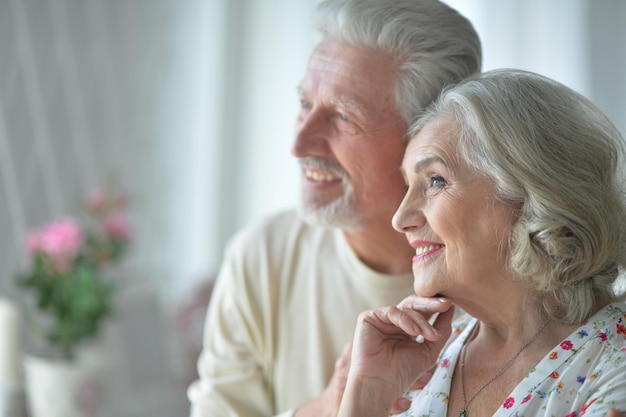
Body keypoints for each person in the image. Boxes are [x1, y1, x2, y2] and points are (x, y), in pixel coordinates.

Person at [186, 0, 482, 416]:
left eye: (343, 117)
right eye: (305, 104)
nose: (299, 144)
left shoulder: (503, 283)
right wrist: (331, 407)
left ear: (428, 141)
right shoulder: (261, 257)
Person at [337, 69, 626, 417]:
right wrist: (367, 394)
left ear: (528, 192)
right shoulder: (425, 355)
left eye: (435, 180)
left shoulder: (613, 363)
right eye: (407, 187)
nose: (400, 219)